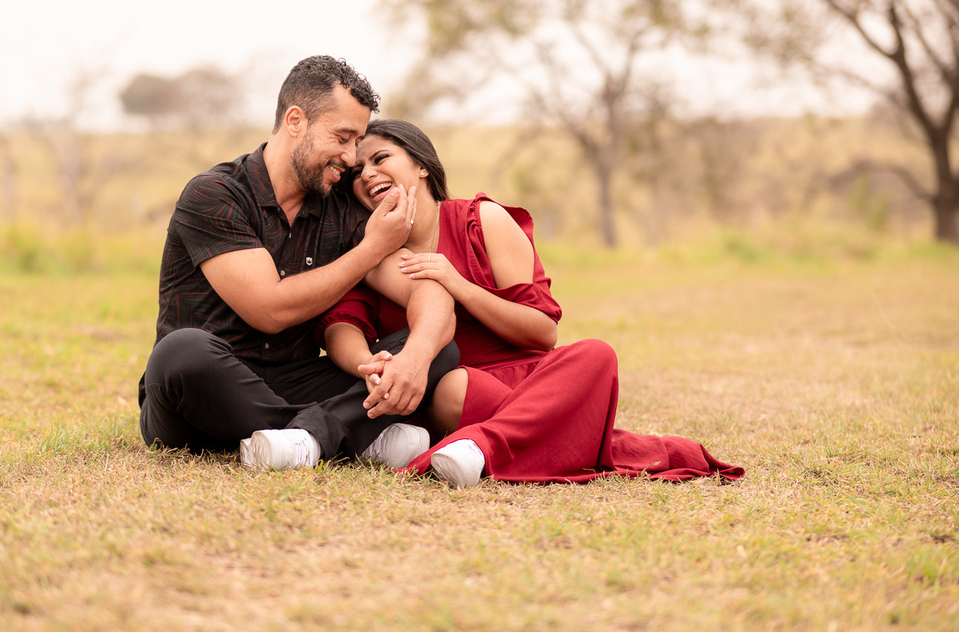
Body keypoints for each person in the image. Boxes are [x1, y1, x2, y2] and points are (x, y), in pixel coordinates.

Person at [319, 118, 744, 488]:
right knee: (453, 387)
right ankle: (541, 439)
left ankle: (480, 448)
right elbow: (343, 323)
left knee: (596, 354)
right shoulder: (368, 251)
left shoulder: (480, 221)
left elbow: (543, 332)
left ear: (423, 165)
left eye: (381, 158)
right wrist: (368, 365)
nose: (367, 174)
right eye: (356, 171)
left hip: (533, 382)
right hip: (458, 390)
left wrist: (460, 285)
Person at [138, 57, 458, 471]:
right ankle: (347, 436)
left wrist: (415, 355)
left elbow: (426, 288)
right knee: (181, 352)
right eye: (342, 137)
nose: (350, 157)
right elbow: (270, 310)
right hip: (207, 388)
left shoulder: (340, 207)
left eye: (356, 142)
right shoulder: (214, 194)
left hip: (296, 380)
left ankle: (300, 441)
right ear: (295, 121)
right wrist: (370, 250)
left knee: (440, 348)